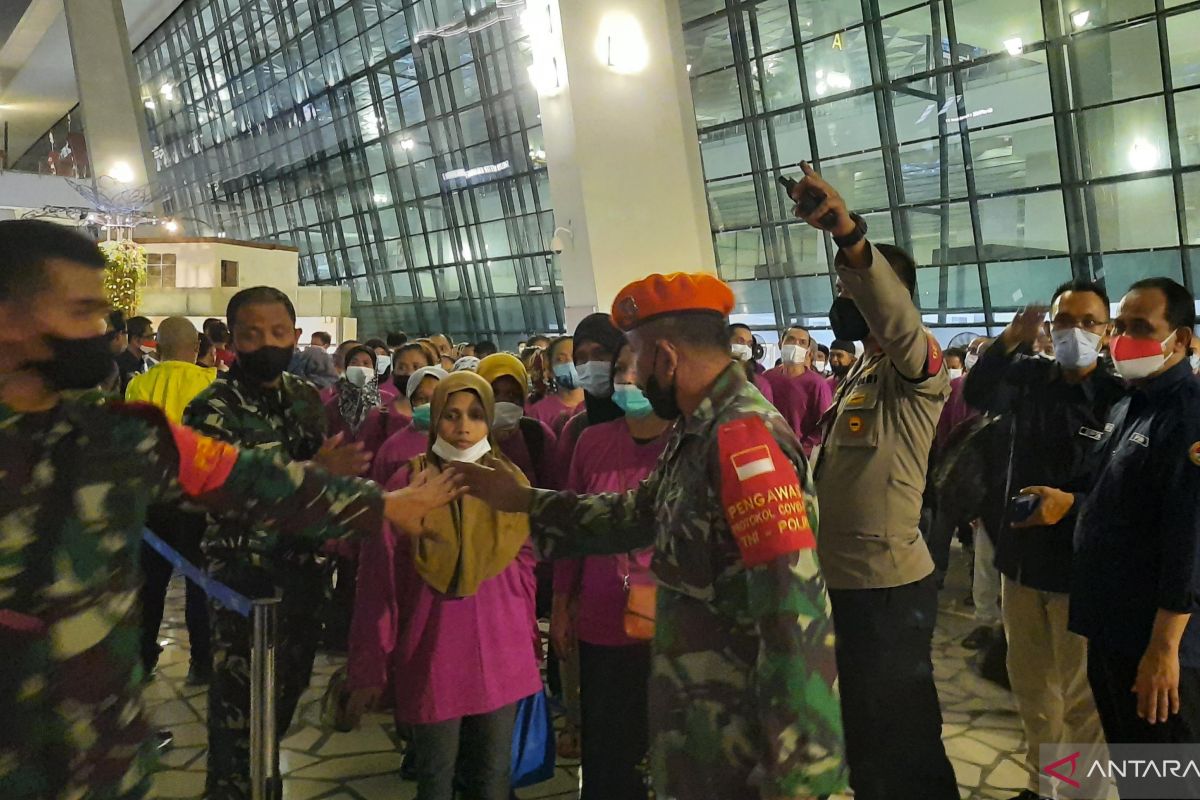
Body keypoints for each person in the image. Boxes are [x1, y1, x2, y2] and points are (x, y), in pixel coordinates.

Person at [0, 219, 461, 800]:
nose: (100, 330)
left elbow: (245, 478)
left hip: (99, 759)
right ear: (10, 317)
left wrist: (380, 505)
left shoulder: (114, 436)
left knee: (275, 706)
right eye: (79, 311)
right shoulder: (182, 413)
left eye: (100, 312)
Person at [453, 271, 846, 799]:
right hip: (703, 727)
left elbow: (793, 607)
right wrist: (523, 502)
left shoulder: (742, 440)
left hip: (743, 746)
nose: (630, 375)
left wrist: (802, 774)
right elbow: (637, 513)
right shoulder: (695, 429)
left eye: (635, 357)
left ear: (665, 356)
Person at [793, 164, 957, 800]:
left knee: (904, 738)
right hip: (846, 585)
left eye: (857, 288)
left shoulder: (919, 368)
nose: (847, 299)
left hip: (888, 589)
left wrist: (849, 236)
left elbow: (896, 321)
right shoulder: (861, 374)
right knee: (864, 734)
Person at [183, 288, 379, 800]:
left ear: (294, 336)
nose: (266, 343)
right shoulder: (212, 407)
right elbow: (221, 492)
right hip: (243, 584)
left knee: (284, 700)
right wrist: (315, 474)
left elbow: (323, 486)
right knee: (239, 715)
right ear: (230, 342)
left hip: (304, 575)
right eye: (251, 334)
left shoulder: (305, 397)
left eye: (277, 333)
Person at [963, 281, 1123, 800]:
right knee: (1034, 694)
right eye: (1064, 320)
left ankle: (1080, 795)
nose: (1075, 331)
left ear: (1106, 331)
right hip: (1023, 568)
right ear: (1049, 327)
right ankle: (1046, 787)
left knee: (1082, 703)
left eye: (1088, 321)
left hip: (1083, 572)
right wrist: (1010, 338)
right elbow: (976, 393)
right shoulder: (1030, 377)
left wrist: (1072, 504)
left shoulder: (1118, 396)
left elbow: (1129, 491)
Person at [348, 371, 541, 800]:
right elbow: (379, 579)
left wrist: (530, 640)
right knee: (435, 779)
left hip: (502, 651)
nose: (463, 426)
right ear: (435, 420)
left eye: (475, 414)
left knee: (492, 780)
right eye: (451, 415)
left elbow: (525, 572)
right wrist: (370, 662)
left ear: (490, 421)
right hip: (433, 652)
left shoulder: (511, 484)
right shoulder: (409, 484)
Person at [1065, 278, 1200, 773]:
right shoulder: (1128, 404)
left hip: (1156, 646)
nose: (1123, 338)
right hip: (1111, 629)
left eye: (1142, 327)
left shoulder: (1189, 418)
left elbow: (1189, 540)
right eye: (1120, 326)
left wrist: (1164, 650)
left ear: (1182, 339)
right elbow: (1115, 499)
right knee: (1134, 771)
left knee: (1167, 780)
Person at [553, 339, 671, 799]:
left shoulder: (685, 444)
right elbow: (571, 531)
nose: (626, 379)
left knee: (660, 743)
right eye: (620, 370)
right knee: (606, 748)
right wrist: (562, 604)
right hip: (602, 619)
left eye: (636, 370)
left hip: (667, 622)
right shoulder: (593, 441)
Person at [126, 316, 219, 684]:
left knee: (150, 584)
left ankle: (144, 658)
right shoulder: (212, 383)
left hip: (152, 501)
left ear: (157, 348)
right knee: (200, 583)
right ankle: (201, 663)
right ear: (196, 347)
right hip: (198, 501)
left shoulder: (138, 385)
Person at [477, 353, 557, 488]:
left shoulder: (537, 435)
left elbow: (554, 488)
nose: (503, 401)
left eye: (512, 394)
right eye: (493, 393)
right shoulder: (465, 436)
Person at [764, 325, 833, 457]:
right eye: (791, 340)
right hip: (768, 451)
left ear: (807, 351)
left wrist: (802, 450)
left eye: (802, 343)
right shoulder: (767, 378)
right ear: (780, 344)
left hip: (800, 455)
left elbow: (824, 426)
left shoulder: (817, 384)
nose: (796, 345)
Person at [372, 366, 447, 485]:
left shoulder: (458, 441)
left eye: (436, 398)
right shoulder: (392, 448)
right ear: (411, 401)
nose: (430, 405)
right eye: (421, 399)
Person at [324, 344, 385, 456]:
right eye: (354, 363)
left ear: (375, 369)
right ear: (346, 367)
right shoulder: (332, 406)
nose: (360, 367)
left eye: (366, 363)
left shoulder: (387, 402)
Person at [528, 336, 584, 432]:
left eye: (575, 356)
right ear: (550, 370)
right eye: (560, 359)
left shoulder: (600, 405)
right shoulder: (538, 412)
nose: (570, 363)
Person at [728, 323, 776, 404]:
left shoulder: (760, 384)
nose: (745, 347)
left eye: (749, 344)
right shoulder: (710, 376)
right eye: (740, 341)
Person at [116, 315, 155, 393]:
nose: (153, 342)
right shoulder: (121, 364)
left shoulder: (143, 362)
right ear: (136, 340)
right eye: (150, 337)